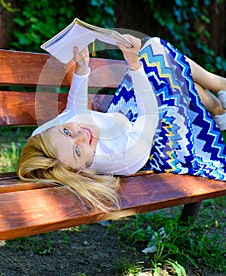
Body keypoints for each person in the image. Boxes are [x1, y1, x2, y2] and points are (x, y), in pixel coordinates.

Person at [17, 35, 226, 211]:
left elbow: (73, 113)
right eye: (78, 151)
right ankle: (219, 89)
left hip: (126, 119)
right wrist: (134, 65)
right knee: (157, 56)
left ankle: (218, 105)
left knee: (165, 68)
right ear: (80, 169)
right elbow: (150, 115)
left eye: (67, 132)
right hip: (160, 140)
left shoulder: (52, 141)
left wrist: (82, 69)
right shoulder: (123, 155)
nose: (81, 135)